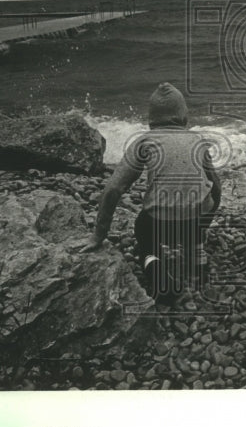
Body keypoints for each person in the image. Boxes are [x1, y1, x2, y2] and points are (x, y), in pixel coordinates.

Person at [82, 82, 221, 303]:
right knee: (199, 208)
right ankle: (197, 259)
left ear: (151, 119)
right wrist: (204, 223)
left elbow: (113, 190)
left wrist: (99, 234)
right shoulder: (199, 141)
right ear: (183, 116)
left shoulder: (144, 141)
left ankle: (156, 270)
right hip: (196, 218)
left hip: (159, 220)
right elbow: (216, 186)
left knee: (143, 231)